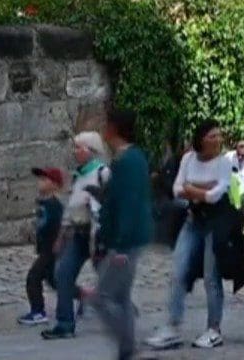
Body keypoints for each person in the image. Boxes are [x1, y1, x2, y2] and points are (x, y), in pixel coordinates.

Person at [146, 120, 237, 350]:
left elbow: (217, 195)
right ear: (202, 139)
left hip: (216, 224)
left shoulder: (224, 163)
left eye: (219, 135)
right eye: (212, 136)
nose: (217, 140)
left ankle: (214, 329)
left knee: (210, 277)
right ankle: (173, 327)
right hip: (193, 221)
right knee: (178, 271)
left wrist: (193, 188)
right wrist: (203, 189)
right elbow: (177, 189)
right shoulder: (188, 159)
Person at [92, 106, 153, 360]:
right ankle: (127, 351)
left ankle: (130, 347)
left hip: (125, 241)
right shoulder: (131, 158)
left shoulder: (127, 162)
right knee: (122, 297)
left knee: (102, 298)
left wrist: (118, 245)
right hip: (126, 238)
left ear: (113, 129)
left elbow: (127, 203)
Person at [42, 131, 109, 340]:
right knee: (62, 273)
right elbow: (71, 208)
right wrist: (61, 235)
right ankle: (65, 323)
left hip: (97, 235)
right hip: (78, 234)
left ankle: (122, 314)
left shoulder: (103, 173)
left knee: (110, 279)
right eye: (75, 147)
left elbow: (113, 203)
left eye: (80, 147)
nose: (75, 151)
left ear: (92, 150)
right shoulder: (78, 175)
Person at [20, 167, 66, 326]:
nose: (40, 182)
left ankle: (38, 311)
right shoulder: (43, 203)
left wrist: (58, 244)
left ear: (55, 185)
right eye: (40, 179)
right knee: (55, 282)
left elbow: (61, 226)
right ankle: (85, 296)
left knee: (33, 277)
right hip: (45, 247)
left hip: (51, 249)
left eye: (45, 180)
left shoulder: (55, 206)